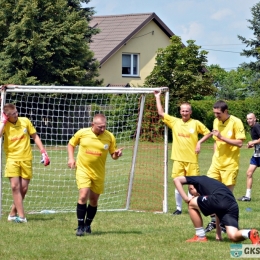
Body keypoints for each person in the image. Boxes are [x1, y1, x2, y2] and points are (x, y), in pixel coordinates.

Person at [154, 91, 212, 215]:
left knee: (193, 188)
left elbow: (208, 133)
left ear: (191, 112)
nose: (185, 113)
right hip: (178, 159)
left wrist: (199, 143)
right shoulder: (175, 122)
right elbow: (161, 113)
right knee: (178, 185)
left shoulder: (196, 123)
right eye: (183, 111)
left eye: (187, 111)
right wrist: (157, 97)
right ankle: (179, 208)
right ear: (180, 112)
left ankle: (201, 205)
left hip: (192, 160)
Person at [67, 114, 123, 236]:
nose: (103, 129)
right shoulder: (82, 133)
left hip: (98, 173)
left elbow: (113, 155)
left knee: (93, 200)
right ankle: (80, 226)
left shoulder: (109, 137)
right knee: (83, 195)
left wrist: (116, 155)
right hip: (83, 170)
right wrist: (71, 158)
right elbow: (71, 144)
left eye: (104, 127)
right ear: (93, 125)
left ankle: (87, 225)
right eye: (100, 127)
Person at [0, 103, 50, 223]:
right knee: (14, 186)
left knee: (23, 188)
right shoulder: (4, 124)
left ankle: (13, 213)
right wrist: (3, 122)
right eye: (13, 114)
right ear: (7, 116)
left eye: (16, 112)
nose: (16, 115)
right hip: (12, 159)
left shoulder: (25, 121)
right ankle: (22, 217)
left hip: (26, 158)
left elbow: (35, 136)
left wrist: (43, 152)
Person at [174, 175, 260, 244]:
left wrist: (186, 198)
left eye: (193, 193)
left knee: (191, 204)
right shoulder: (212, 185)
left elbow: (176, 180)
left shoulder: (197, 179)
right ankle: (250, 233)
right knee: (233, 236)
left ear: (192, 188)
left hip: (219, 198)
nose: (195, 196)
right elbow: (217, 210)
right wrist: (218, 235)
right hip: (232, 204)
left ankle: (200, 236)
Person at [205, 100, 245, 233]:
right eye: (214, 113)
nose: (216, 116)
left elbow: (239, 143)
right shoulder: (216, 121)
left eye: (218, 113)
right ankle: (213, 222)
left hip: (230, 164)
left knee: (225, 197)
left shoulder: (236, 122)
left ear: (226, 111)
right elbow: (216, 140)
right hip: (216, 163)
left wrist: (222, 137)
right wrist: (216, 152)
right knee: (207, 191)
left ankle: (224, 224)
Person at [237, 113, 260, 202]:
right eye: (247, 119)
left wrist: (253, 142)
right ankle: (247, 196)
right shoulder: (253, 128)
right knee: (249, 173)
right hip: (257, 154)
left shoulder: (257, 126)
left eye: (251, 118)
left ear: (255, 119)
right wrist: (253, 144)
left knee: (249, 173)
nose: (249, 120)